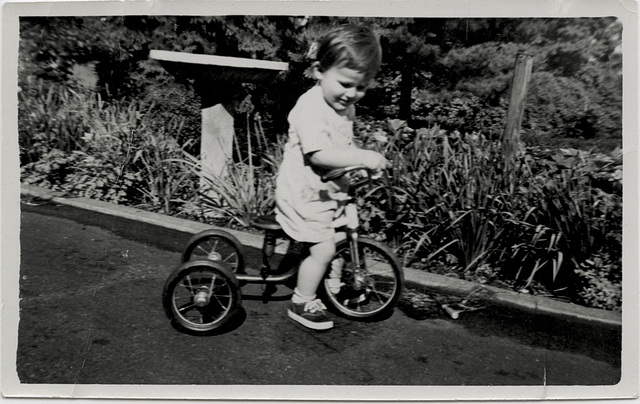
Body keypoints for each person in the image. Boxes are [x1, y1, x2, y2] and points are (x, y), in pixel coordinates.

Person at [275, 24, 387, 330]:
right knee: (324, 248)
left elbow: (342, 148)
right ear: (318, 70)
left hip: (327, 190)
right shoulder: (310, 108)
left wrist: (358, 163)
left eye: (361, 87)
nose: (352, 94)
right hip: (304, 194)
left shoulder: (342, 107)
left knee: (340, 235)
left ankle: (332, 285)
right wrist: (364, 157)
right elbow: (320, 154)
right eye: (346, 84)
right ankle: (302, 300)